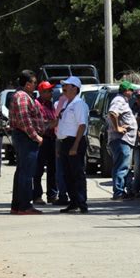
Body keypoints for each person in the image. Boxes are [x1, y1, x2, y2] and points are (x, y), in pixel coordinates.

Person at [9, 70, 44, 215]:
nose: (35, 85)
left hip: (24, 137)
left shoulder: (22, 96)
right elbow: (25, 121)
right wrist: (36, 137)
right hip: (26, 138)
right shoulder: (22, 97)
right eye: (34, 82)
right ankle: (24, 206)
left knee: (22, 171)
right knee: (26, 173)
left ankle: (17, 205)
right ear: (28, 84)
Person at [57, 76, 89, 213]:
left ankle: (82, 202)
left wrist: (75, 146)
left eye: (67, 86)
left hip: (75, 140)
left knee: (77, 173)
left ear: (75, 89)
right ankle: (73, 201)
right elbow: (61, 124)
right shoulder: (66, 104)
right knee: (67, 174)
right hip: (65, 142)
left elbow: (82, 126)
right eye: (64, 86)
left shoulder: (79, 104)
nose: (64, 88)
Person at [108, 81, 139, 200]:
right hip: (121, 139)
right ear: (126, 91)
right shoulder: (119, 100)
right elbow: (112, 113)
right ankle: (119, 192)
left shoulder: (122, 101)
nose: (132, 93)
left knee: (124, 166)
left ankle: (124, 190)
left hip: (125, 140)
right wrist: (118, 128)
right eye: (131, 90)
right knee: (121, 166)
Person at [33, 81, 58, 205]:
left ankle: (52, 195)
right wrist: (52, 123)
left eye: (51, 91)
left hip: (52, 139)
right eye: (48, 91)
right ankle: (37, 195)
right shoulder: (37, 104)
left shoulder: (50, 104)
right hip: (42, 139)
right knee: (38, 169)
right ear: (42, 92)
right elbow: (40, 124)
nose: (51, 93)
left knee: (53, 169)